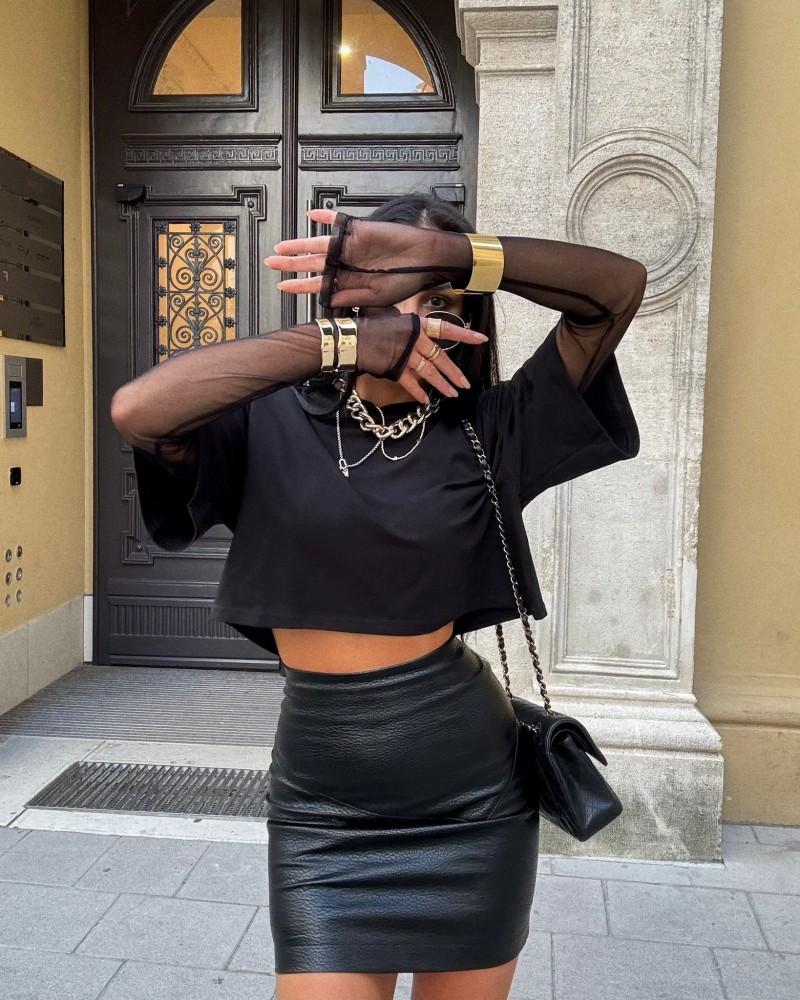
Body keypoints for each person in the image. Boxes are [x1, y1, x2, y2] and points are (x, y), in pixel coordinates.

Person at [110, 193, 647, 1000]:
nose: (420, 318)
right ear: (349, 302)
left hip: (472, 802)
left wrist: (458, 256)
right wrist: (340, 343)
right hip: (322, 811)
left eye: (442, 300)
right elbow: (137, 411)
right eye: (394, 295)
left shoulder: (494, 426)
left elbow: (617, 289)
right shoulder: (268, 420)